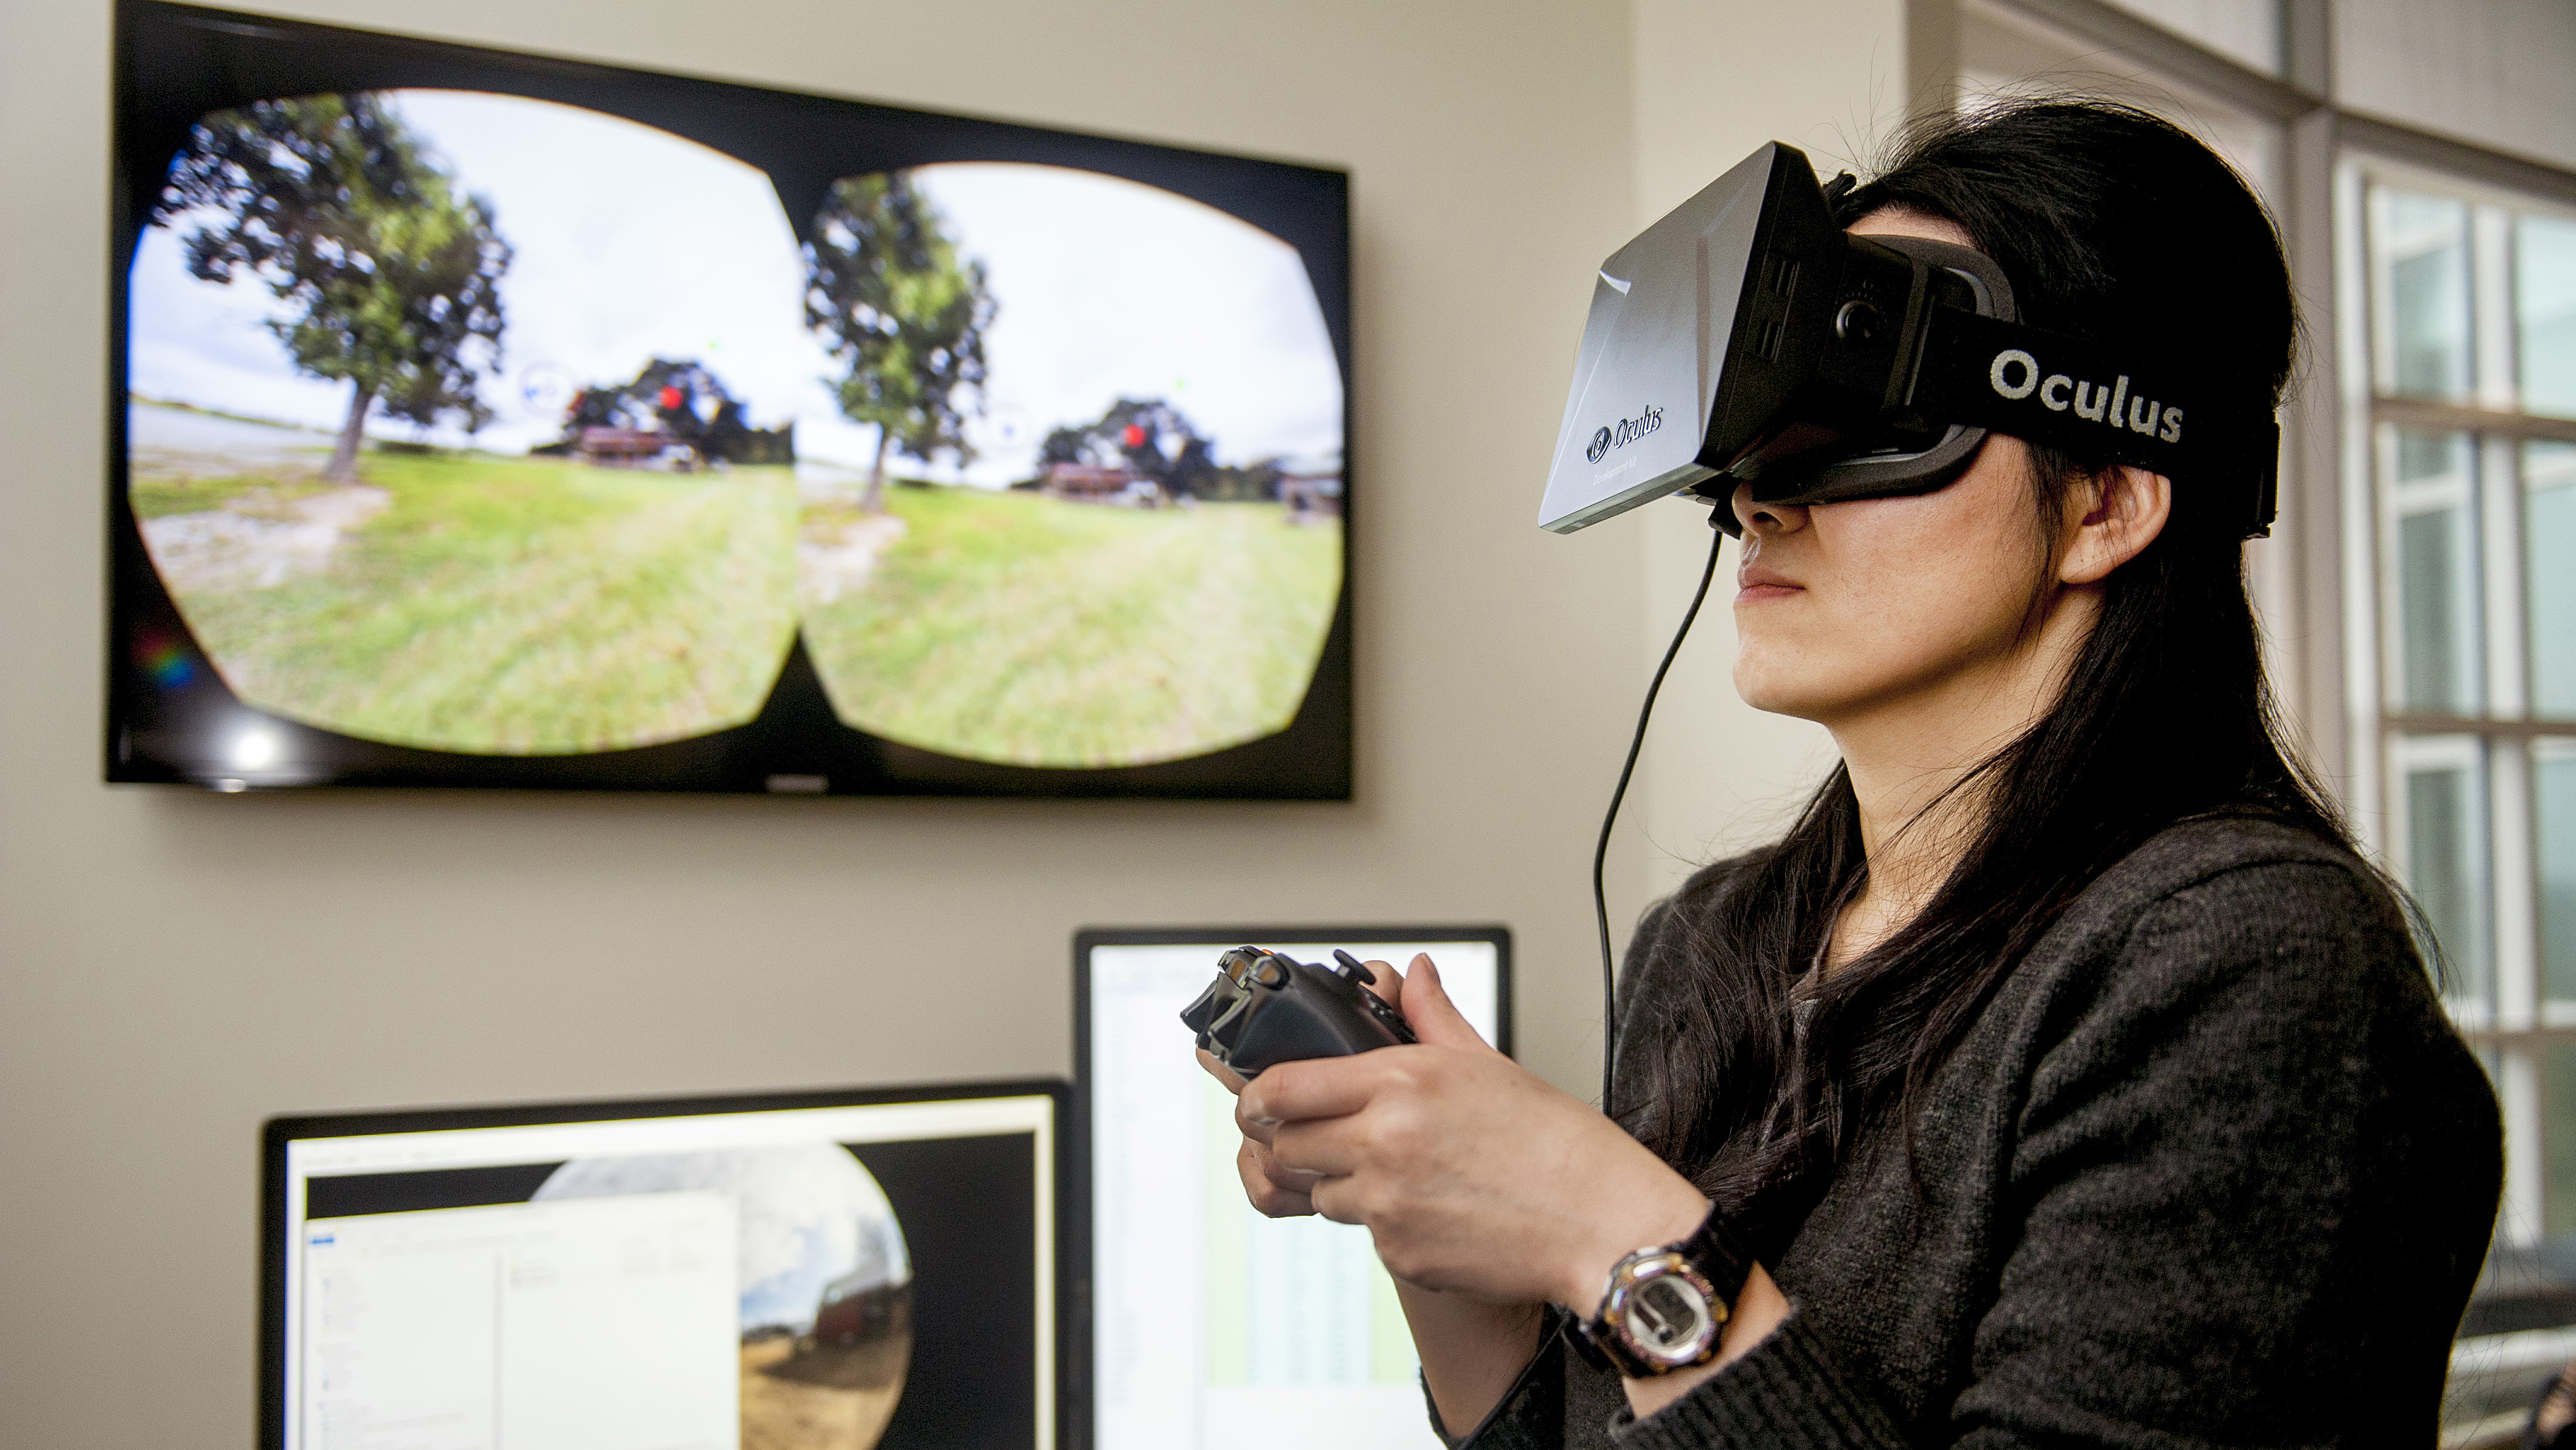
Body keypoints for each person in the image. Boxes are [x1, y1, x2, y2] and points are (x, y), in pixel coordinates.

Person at [1201, 99, 2505, 1447]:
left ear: (2107, 501)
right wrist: (1453, 1233)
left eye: (1869, 414)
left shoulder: (2249, 969)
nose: (1762, 498)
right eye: (1766, 426)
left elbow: (1642, 1284)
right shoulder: (1709, 946)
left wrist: (1608, 1231)